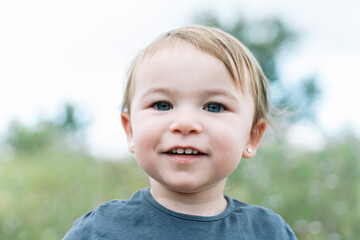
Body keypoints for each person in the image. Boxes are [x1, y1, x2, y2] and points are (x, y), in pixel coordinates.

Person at [63, 25, 297, 239]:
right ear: (131, 130)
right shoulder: (99, 230)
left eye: (214, 107)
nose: (185, 123)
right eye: (162, 105)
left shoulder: (269, 232)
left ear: (252, 136)